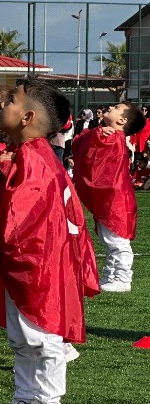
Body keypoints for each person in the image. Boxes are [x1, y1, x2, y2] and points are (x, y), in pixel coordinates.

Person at [0, 78, 99, 404]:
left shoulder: (35, 159)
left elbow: (22, 215)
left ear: (27, 117)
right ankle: (25, 399)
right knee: (22, 337)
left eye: (11, 100)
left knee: (44, 337)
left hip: (39, 263)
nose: (3, 105)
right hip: (27, 263)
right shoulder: (26, 154)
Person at [71, 101, 146, 293]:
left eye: (116, 108)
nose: (111, 107)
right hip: (110, 201)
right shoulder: (106, 135)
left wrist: (96, 135)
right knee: (109, 240)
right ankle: (110, 275)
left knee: (117, 241)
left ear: (122, 120)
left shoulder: (113, 138)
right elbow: (79, 143)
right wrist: (97, 132)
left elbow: (91, 158)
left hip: (115, 202)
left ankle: (122, 277)